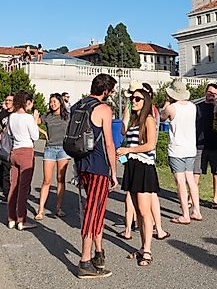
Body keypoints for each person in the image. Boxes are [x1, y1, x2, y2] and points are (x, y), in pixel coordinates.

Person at [74, 73, 118, 279]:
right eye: (112, 90)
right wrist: (114, 171)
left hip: (81, 162)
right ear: (106, 91)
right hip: (99, 165)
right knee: (93, 211)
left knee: (95, 208)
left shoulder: (78, 105)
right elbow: (109, 143)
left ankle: (98, 252)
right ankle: (84, 261)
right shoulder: (104, 109)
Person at [116, 87, 159, 266]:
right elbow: (123, 133)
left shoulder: (148, 119)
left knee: (143, 210)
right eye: (132, 98)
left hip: (144, 167)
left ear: (146, 101)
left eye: (137, 99)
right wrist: (123, 155)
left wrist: (129, 149)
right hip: (132, 165)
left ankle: (147, 250)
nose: (134, 101)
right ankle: (143, 246)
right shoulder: (134, 120)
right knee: (138, 213)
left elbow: (150, 144)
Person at [161, 79, 202, 224]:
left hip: (177, 148)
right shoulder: (192, 106)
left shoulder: (171, 108)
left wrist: (167, 101)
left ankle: (185, 214)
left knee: (180, 181)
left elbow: (162, 117)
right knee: (191, 180)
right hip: (191, 148)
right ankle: (196, 210)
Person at [6, 91, 40, 230]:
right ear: (27, 102)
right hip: (26, 152)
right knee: (23, 188)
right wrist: (35, 120)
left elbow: (9, 133)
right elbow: (36, 136)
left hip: (14, 152)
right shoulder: (28, 118)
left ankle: (11, 218)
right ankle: (21, 220)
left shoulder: (11, 117)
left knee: (13, 186)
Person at [36, 93, 71, 220]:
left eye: (54, 101)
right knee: (46, 180)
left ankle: (58, 208)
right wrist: (43, 132)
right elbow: (35, 122)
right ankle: (40, 209)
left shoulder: (67, 116)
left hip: (63, 149)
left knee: (60, 179)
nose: (52, 104)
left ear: (60, 102)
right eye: (51, 102)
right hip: (50, 149)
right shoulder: (47, 116)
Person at [194, 83, 217, 209]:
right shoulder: (198, 107)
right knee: (196, 172)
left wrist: (216, 106)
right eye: (209, 93)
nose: (210, 96)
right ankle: (192, 197)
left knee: (216, 172)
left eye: (213, 94)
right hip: (200, 144)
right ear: (205, 92)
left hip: (216, 143)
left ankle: (216, 199)